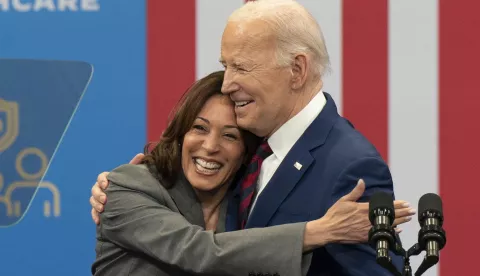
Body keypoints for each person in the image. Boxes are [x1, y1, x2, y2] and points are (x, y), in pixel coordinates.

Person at [91, 1, 416, 275]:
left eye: (242, 68)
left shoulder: (351, 165)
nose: (229, 83)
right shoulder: (251, 157)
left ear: (297, 70)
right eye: (226, 66)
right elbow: (200, 247)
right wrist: (124, 185)